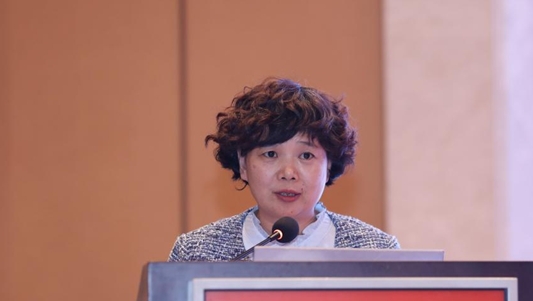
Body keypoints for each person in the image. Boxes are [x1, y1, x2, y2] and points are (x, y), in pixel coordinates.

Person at [168, 77, 400, 262]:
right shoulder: (196, 253)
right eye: (270, 154)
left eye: (306, 155)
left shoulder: (379, 252)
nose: (288, 173)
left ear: (329, 166)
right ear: (243, 164)